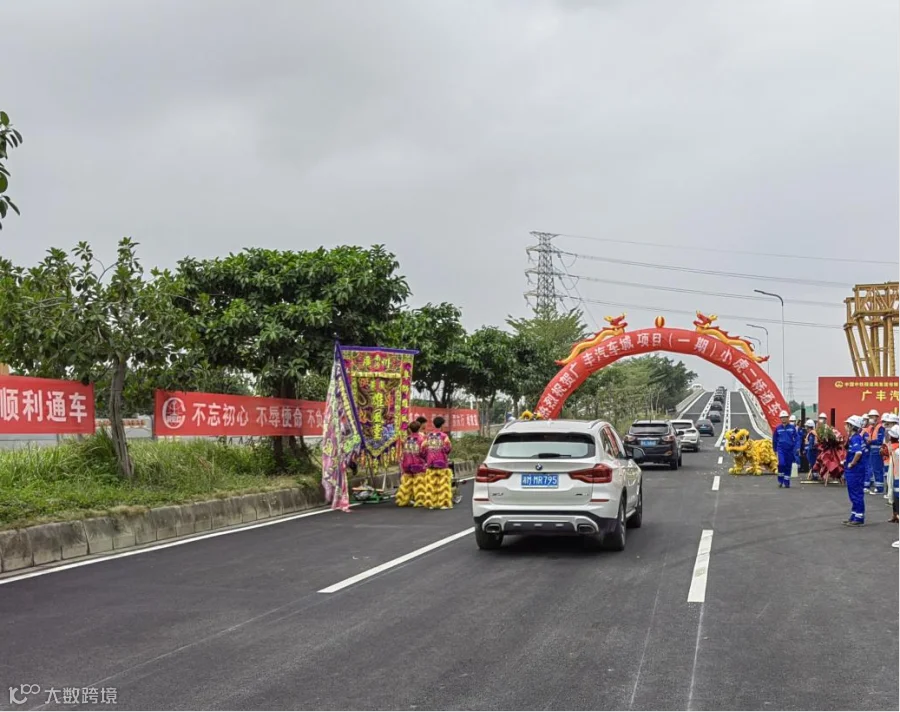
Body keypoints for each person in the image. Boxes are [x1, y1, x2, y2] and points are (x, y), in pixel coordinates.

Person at [423, 416, 453, 510]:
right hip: (441, 462)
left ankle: (431, 503)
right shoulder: (444, 436)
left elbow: (423, 449)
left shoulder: (428, 436)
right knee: (442, 484)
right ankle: (443, 504)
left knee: (431, 484)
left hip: (430, 463)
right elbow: (448, 449)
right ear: (442, 425)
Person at [843, 415, 867, 527]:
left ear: (852, 426)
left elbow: (858, 453)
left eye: (847, 425)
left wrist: (852, 463)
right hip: (854, 470)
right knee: (853, 493)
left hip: (855, 470)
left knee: (856, 493)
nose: (845, 426)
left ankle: (859, 517)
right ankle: (854, 515)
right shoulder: (854, 438)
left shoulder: (856, 438)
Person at [396, 421, 426, 507]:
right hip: (418, 465)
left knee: (406, 484)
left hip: (406, 464)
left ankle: (404, 500)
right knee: (419, 484)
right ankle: (420, 500)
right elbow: (423, 453)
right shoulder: (422, 439)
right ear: (419, 428)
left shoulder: (406, 440)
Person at [773, 410, 800, 488]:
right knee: (781, 464)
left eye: (785, 417)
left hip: (790, 449)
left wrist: (797, 447)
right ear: (780, 418)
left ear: (788, 418)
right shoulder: (778, 428)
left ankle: (786, 481)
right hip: (781, 449)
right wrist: (775, 449)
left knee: (788, 465)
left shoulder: (792, 428)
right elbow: (774, 439)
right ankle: (780, 480)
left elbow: (797, 438)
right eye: (782, 417)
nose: (784, 419)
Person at [864, 408, 886, 495]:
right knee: (873, 469)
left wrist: (871, 441)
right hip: (872, 450)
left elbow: (880, 440)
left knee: (878, 469)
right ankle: (878, 486)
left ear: (876, 417)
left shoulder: (880, 428)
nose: (870, 419)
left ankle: (880, 488)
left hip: (877, 450)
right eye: (869, 417)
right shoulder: (872, 428)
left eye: (872, 417)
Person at [887, 423, 899, 526]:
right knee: (894, 494)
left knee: (897, 495)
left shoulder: (896, 449)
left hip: (897, 475)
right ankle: (895, 515)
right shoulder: (894, 447)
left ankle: (897, 515)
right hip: (894, 473)